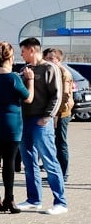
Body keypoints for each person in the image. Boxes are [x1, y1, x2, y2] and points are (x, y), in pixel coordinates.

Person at [17, 37, 68, 215]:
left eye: (23, 51)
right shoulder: (26, 69)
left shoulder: (49, 68)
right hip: (25, 120)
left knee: (49, 160)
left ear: (32, 50)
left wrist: (47, 117)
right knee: (28, 161)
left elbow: (57, 95)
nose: (21, 54)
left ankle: (60, 201)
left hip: (41, 121)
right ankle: (33, 199)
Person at [0, 41, 34, 213]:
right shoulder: (13, 77)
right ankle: (9, 199)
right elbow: (28, 98)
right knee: (9, 162)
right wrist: (30, 81)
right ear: (9, 56)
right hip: (12, 123)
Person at [43, 48, 74, 181]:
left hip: (62, 113)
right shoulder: (53, 71)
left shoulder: (63, 73)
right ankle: (56, 172)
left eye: (51, 58)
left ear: (59, 59)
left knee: (61, 143)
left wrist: (56, 115)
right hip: (55, 112)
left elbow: (64, 96)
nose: (48, 61)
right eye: (47, 58)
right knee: (54, 143)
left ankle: (63, 173)